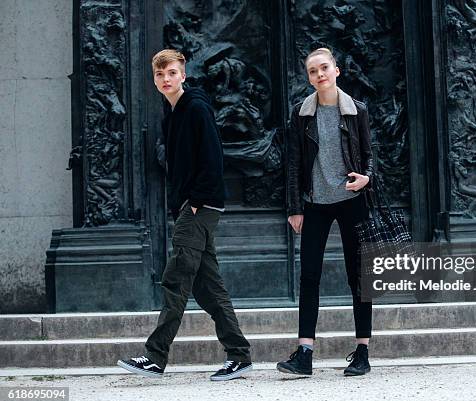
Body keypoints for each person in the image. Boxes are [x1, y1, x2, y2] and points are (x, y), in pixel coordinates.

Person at [117, 49, 252, 381]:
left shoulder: (195, 108)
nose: (166, 79)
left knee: (177, 278)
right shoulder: (172, 111)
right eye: (160, 75)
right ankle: (239, 355)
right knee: (207, 286)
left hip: (200, 206)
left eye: (172, 73)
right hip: (193, 205)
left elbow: (212, 157)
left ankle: (155, 356)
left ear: (183, 75)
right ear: (155, 79)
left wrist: (194, 200)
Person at [277, 48, 374, 376]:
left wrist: (367, 177)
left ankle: (362, 351)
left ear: (337, 71)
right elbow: (292, 162)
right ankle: (304, 353)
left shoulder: (356, 110)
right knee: (309, 277)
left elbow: (369, 156)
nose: (319, 75)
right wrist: (294, 207)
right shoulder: (301, 114)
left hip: (351, 201)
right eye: (312, 71)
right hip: (315, 203)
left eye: (324, 68)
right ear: (309, 77)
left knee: (358, 276)